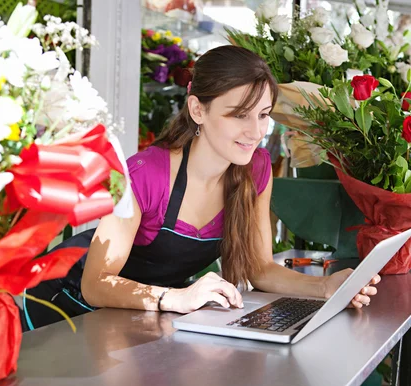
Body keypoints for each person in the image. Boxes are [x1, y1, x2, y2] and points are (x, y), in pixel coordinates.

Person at [22, 45, 381, 330]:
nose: (256, 132)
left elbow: (258, 268)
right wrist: (175, 298)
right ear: (197, 109)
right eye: (239, 114)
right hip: (64, 309)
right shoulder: (146, 175)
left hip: (137, 317)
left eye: (263, 114)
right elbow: (96, 283)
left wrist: (327, 287)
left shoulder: (255, 170)